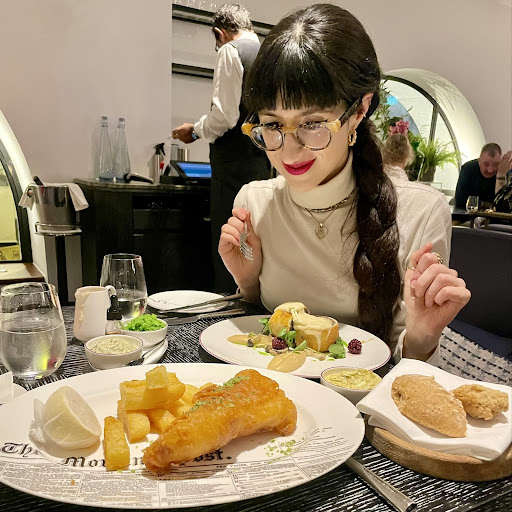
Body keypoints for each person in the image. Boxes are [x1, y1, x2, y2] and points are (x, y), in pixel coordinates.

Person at [219, 4, 471, 364]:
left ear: (359, 111)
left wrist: (423, 336)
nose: (288, 151)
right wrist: (248, 284)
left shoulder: (421, 211)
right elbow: (258, 341)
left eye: (312, 123)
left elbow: (409, 374)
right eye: (272, 125)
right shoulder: (254, 203)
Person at [172, 4, 271, 293]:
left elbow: (225, 117)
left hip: (234, 165)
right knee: (254, 241)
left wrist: (195, 131)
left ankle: (225, 309)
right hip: (264, 162)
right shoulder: (268, 55)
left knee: (230, 241)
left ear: (220, 33)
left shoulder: (230, 51)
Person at [454, 143, 502, 210]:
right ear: (479, 160)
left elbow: (503, 205)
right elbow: (460, 199)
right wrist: (485, 204)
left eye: (495, 165)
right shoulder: (468, 168)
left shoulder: (503, 173)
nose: (490, 170)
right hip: (466, 214)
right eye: (486, 164)